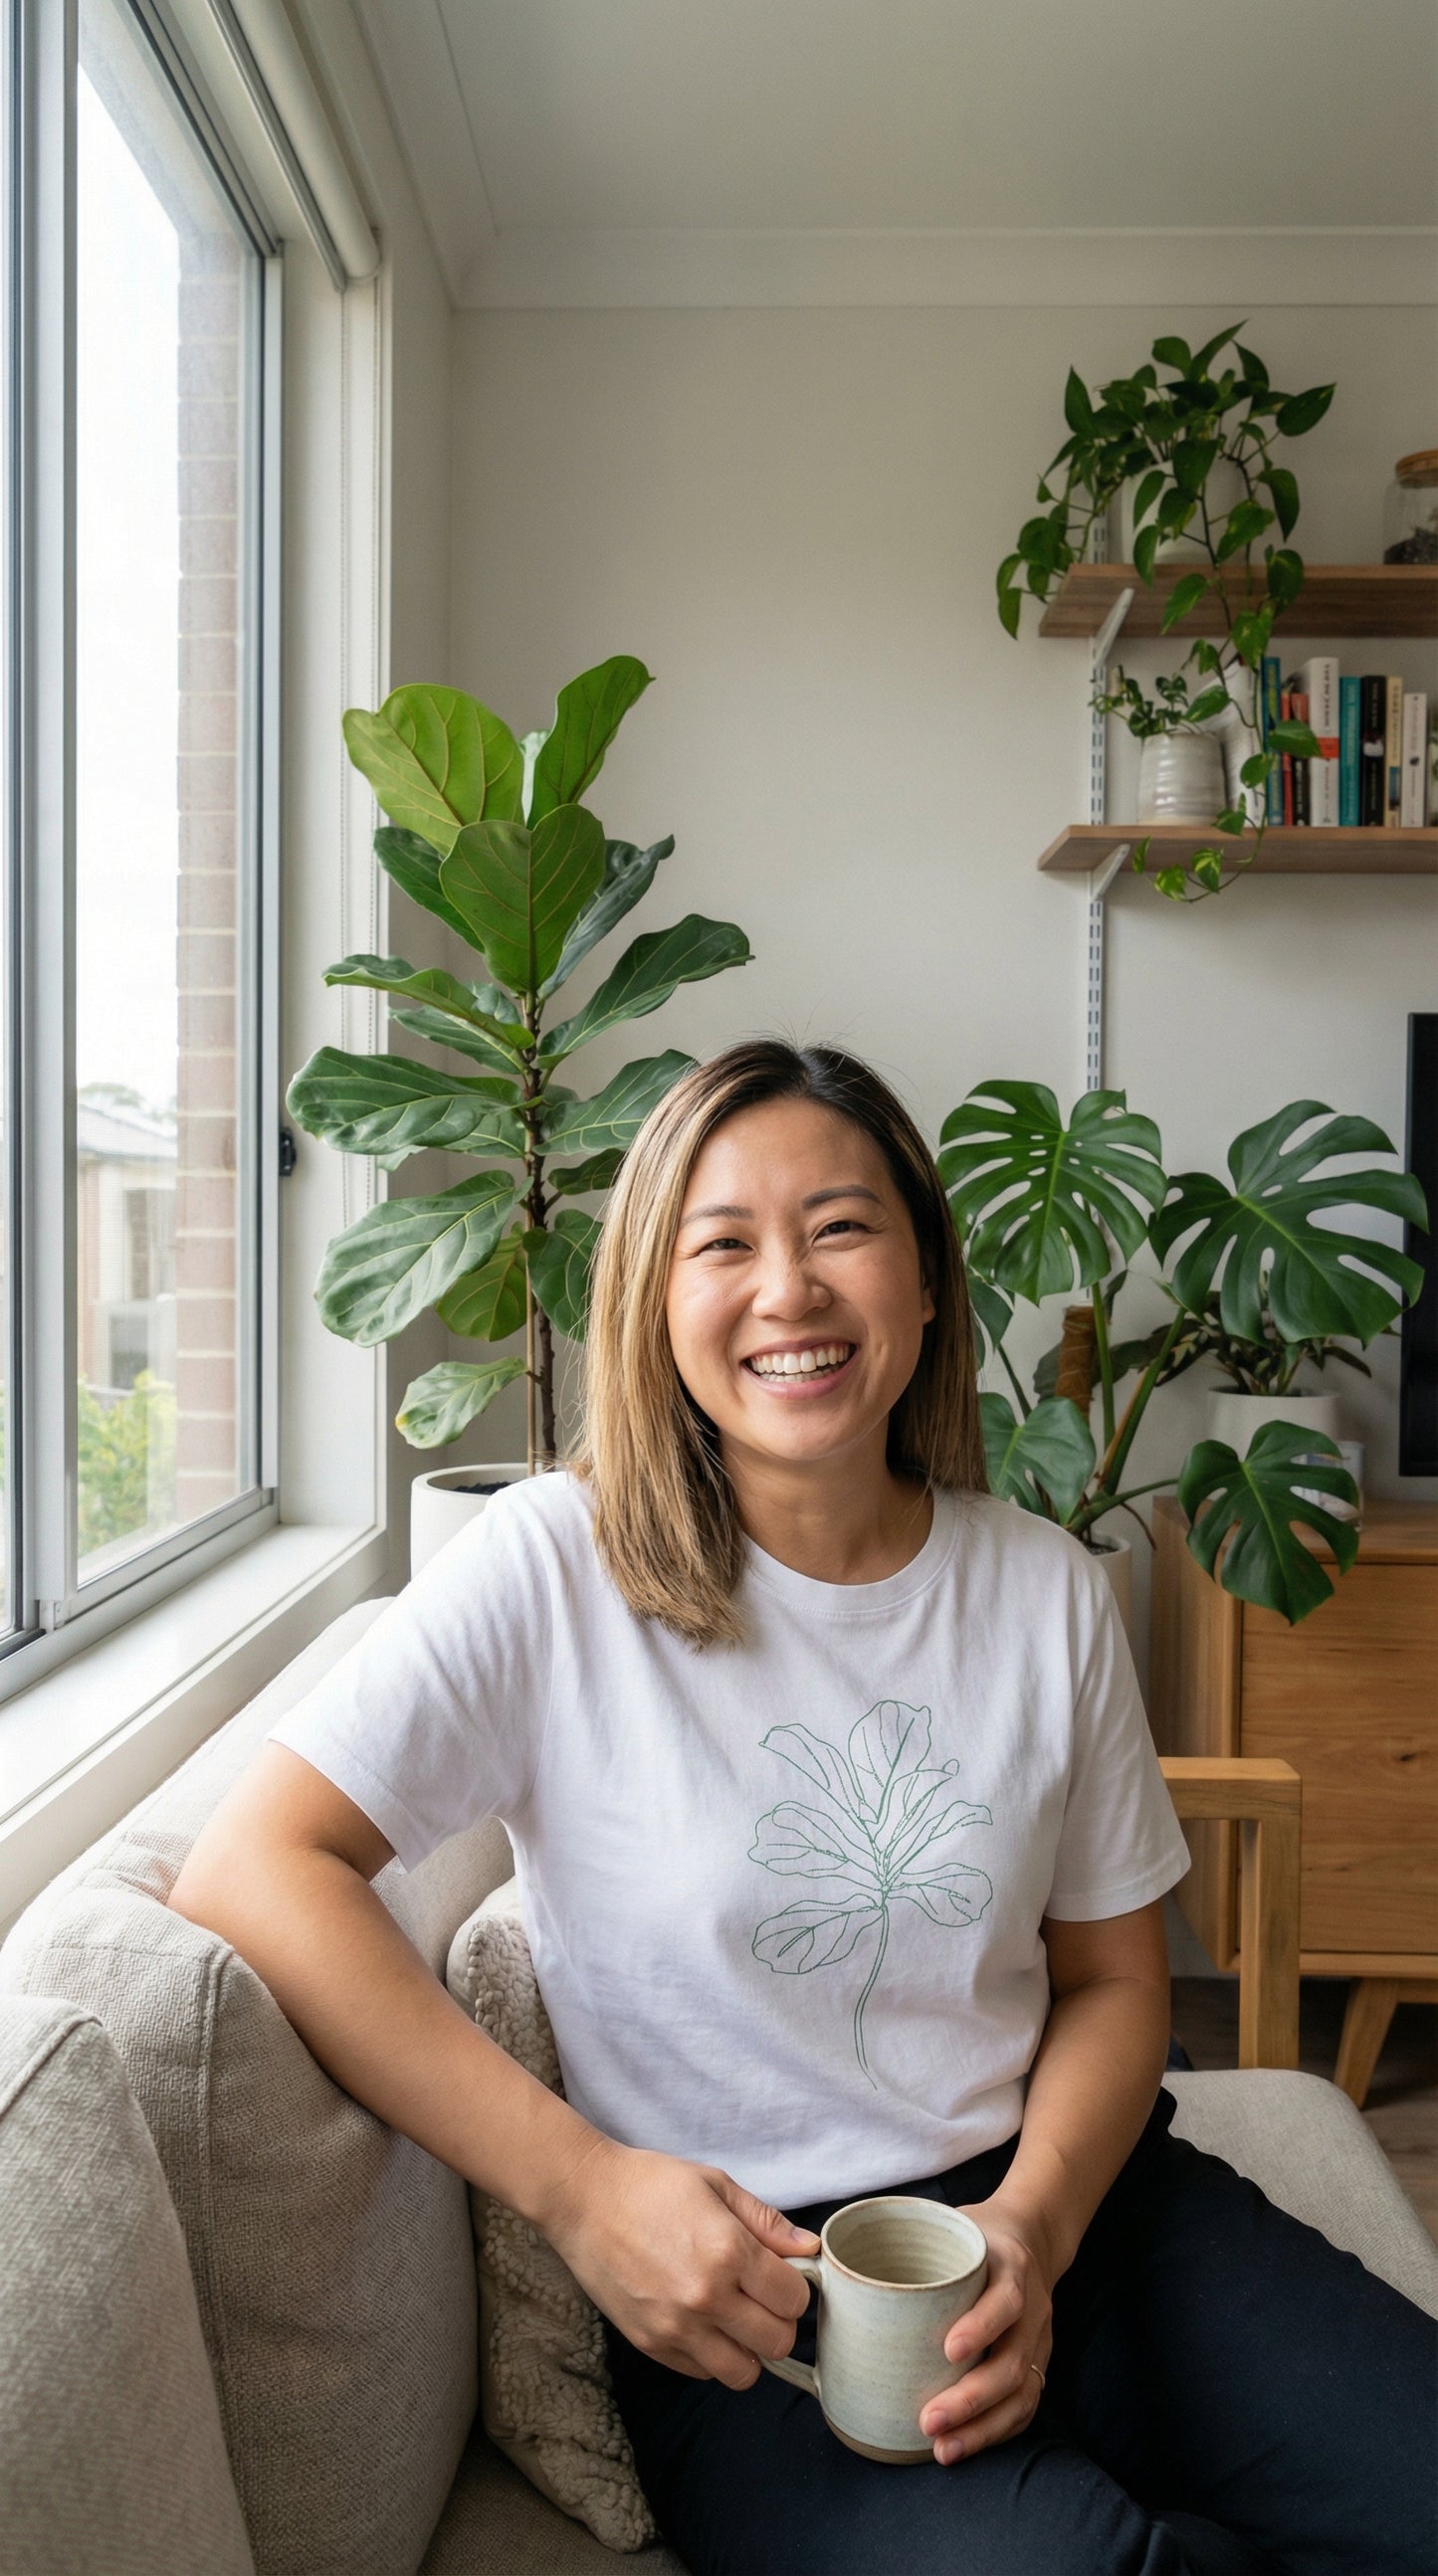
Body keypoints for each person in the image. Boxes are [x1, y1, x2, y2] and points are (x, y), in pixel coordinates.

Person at [169, 1039, 1437, 2576]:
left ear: (925, 1280)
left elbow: (1112, 1977)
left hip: (1082, 2221)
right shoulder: (551, 1567)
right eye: (723, 1243)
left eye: (840, 1226)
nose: (789, 1289)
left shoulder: (1042, 1588)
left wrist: (1035, 2227)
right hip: (757, 2309)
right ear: (654, 1298)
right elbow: (257, 1864)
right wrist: (582, 2190)